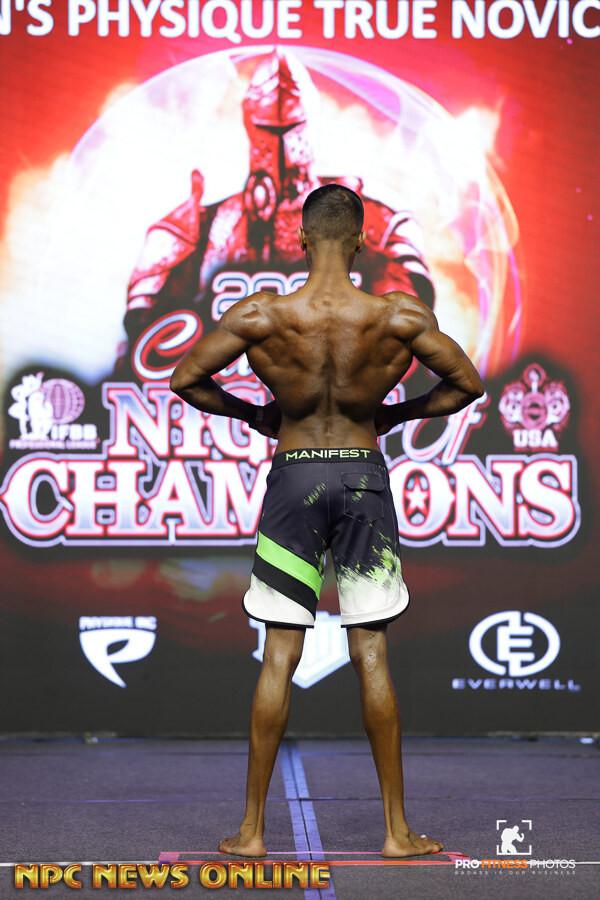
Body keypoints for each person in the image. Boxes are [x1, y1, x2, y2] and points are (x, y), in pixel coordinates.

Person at [170, 183, 483, 859]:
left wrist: (258, 415)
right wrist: (393, 415)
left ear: (300, 238)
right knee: (369, 651)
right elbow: (467, 384)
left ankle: (252, 832)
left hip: (295, 476)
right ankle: (396, 833)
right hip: (363, 476)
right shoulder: (397, 313)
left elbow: (186, 379)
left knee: (280, 653)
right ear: (363, 241)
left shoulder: (263, 313)